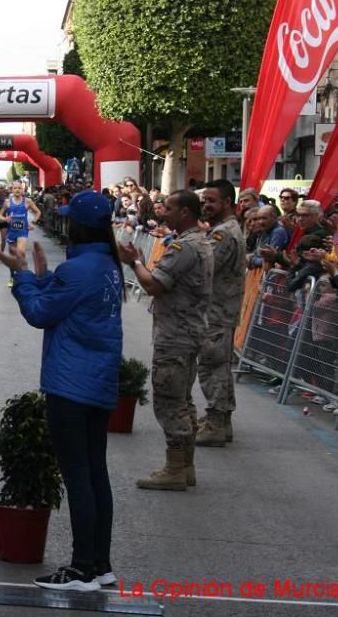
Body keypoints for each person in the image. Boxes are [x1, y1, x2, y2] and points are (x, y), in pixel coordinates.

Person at [0, 190, 123, 592]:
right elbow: (64, 298)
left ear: (78, 226)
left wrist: (21, 278)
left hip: (71, 383)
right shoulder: (107, 265)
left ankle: (83, 566)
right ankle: (100, 564)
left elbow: (39, 312)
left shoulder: (80, 269)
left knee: (78, 477)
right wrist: (41, 277)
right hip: (99, 381)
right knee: (95, 474)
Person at [119, 190, 213, 491]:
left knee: (170, 401)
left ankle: (175, 468)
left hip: (176, 335)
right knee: (183, 399)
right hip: (188, 331)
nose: (163, 211)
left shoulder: (185, 246)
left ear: (185, 212)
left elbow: (154, 285)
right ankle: (186, 466)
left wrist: (134, 263)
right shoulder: (199, 241)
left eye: (169, 208)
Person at [195, 180, 246, 447]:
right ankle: (222, 419)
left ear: (227, 202)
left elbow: (203, 267)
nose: (205, 205)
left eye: (211, 201)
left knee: (211, 367)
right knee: (220, 367)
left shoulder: (223, 234)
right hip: (220, 310)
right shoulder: (224, 230)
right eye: (203, 201)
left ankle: (216, 422)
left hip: (216, 312)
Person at [0, 180, 41, 258]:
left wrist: (32, 222)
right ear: (12, 190)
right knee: (13, 257)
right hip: (11, 231)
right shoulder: (7, 202)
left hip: (23, 231)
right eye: (15, 188)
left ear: (22, 190)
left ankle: (21, 270)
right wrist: (6, 219)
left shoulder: (28, 201)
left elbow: (38, 212)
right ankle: (14, 269)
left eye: (19, 188)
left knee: (21, 255)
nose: (17, 190)